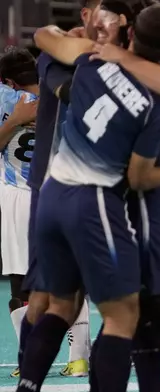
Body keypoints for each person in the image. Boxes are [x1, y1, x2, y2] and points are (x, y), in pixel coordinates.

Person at [17, 4, 160, 391]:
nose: (91, 18)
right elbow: (141, 172)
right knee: (122, 313)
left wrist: (106, 51)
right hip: (92, 201)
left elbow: (44, 37)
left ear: (127, 28)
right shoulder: (156, 94)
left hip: (53, 191)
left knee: (57, 304)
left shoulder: (90, 59)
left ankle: (27, 384)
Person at [0, 49, 41, 377]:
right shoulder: (63, 95)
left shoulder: (5, 98)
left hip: (17, 199)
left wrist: (13, 120)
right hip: (60, 196)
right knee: (68, 283)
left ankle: (30, 358)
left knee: (20, 286)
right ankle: (79, 356)